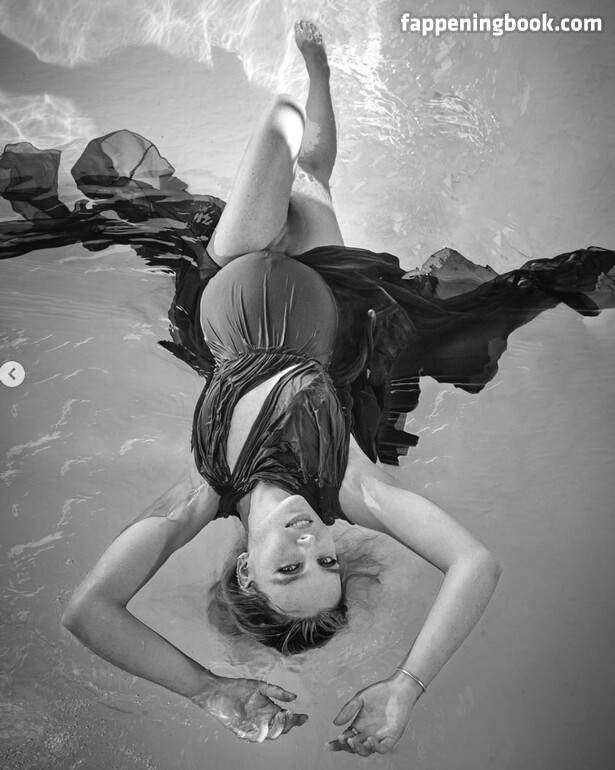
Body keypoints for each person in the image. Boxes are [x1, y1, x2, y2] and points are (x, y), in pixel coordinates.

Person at [1, 20, 609, 756]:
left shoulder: (200, 494)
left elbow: (88, 612)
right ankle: (319, 72)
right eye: (326, 561)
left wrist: (208, 690)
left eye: (288, 567)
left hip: (230, 275)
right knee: (312, 169)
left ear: (247, 572)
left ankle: (299, 96)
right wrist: (405, 686)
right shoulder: (348, 489)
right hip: (330, 293)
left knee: (279, 130)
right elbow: (476, 564)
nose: (309, 541)